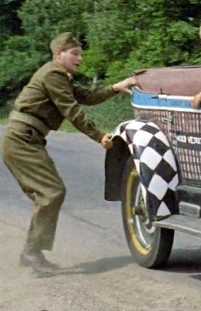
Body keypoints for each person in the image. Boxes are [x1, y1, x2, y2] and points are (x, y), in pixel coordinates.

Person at [2, 32, 139, 272]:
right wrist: (98, 136)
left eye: (80, 54)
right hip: (22, 139)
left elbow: (87, 96)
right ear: (58, 55)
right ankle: (32, 252)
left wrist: (117, 87)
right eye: (74, 54)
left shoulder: (60, 77)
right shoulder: (53, 73)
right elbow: (71, 110)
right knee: (51, 192)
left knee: (49, 193)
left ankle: (33, 252)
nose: (80, 58)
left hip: (27, 139)